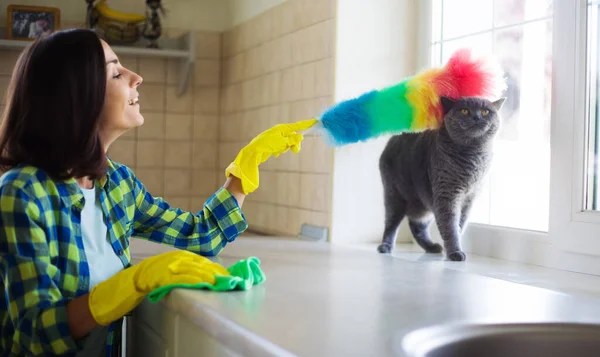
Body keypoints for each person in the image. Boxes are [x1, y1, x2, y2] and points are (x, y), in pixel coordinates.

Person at [0, 28, 316, 356]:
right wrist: (136, 281)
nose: (136, 78)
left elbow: (200, 236)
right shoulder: (23, 194)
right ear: (75, 95)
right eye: (116, 73)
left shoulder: (118, 184)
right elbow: (32, 335)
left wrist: (245, 168)